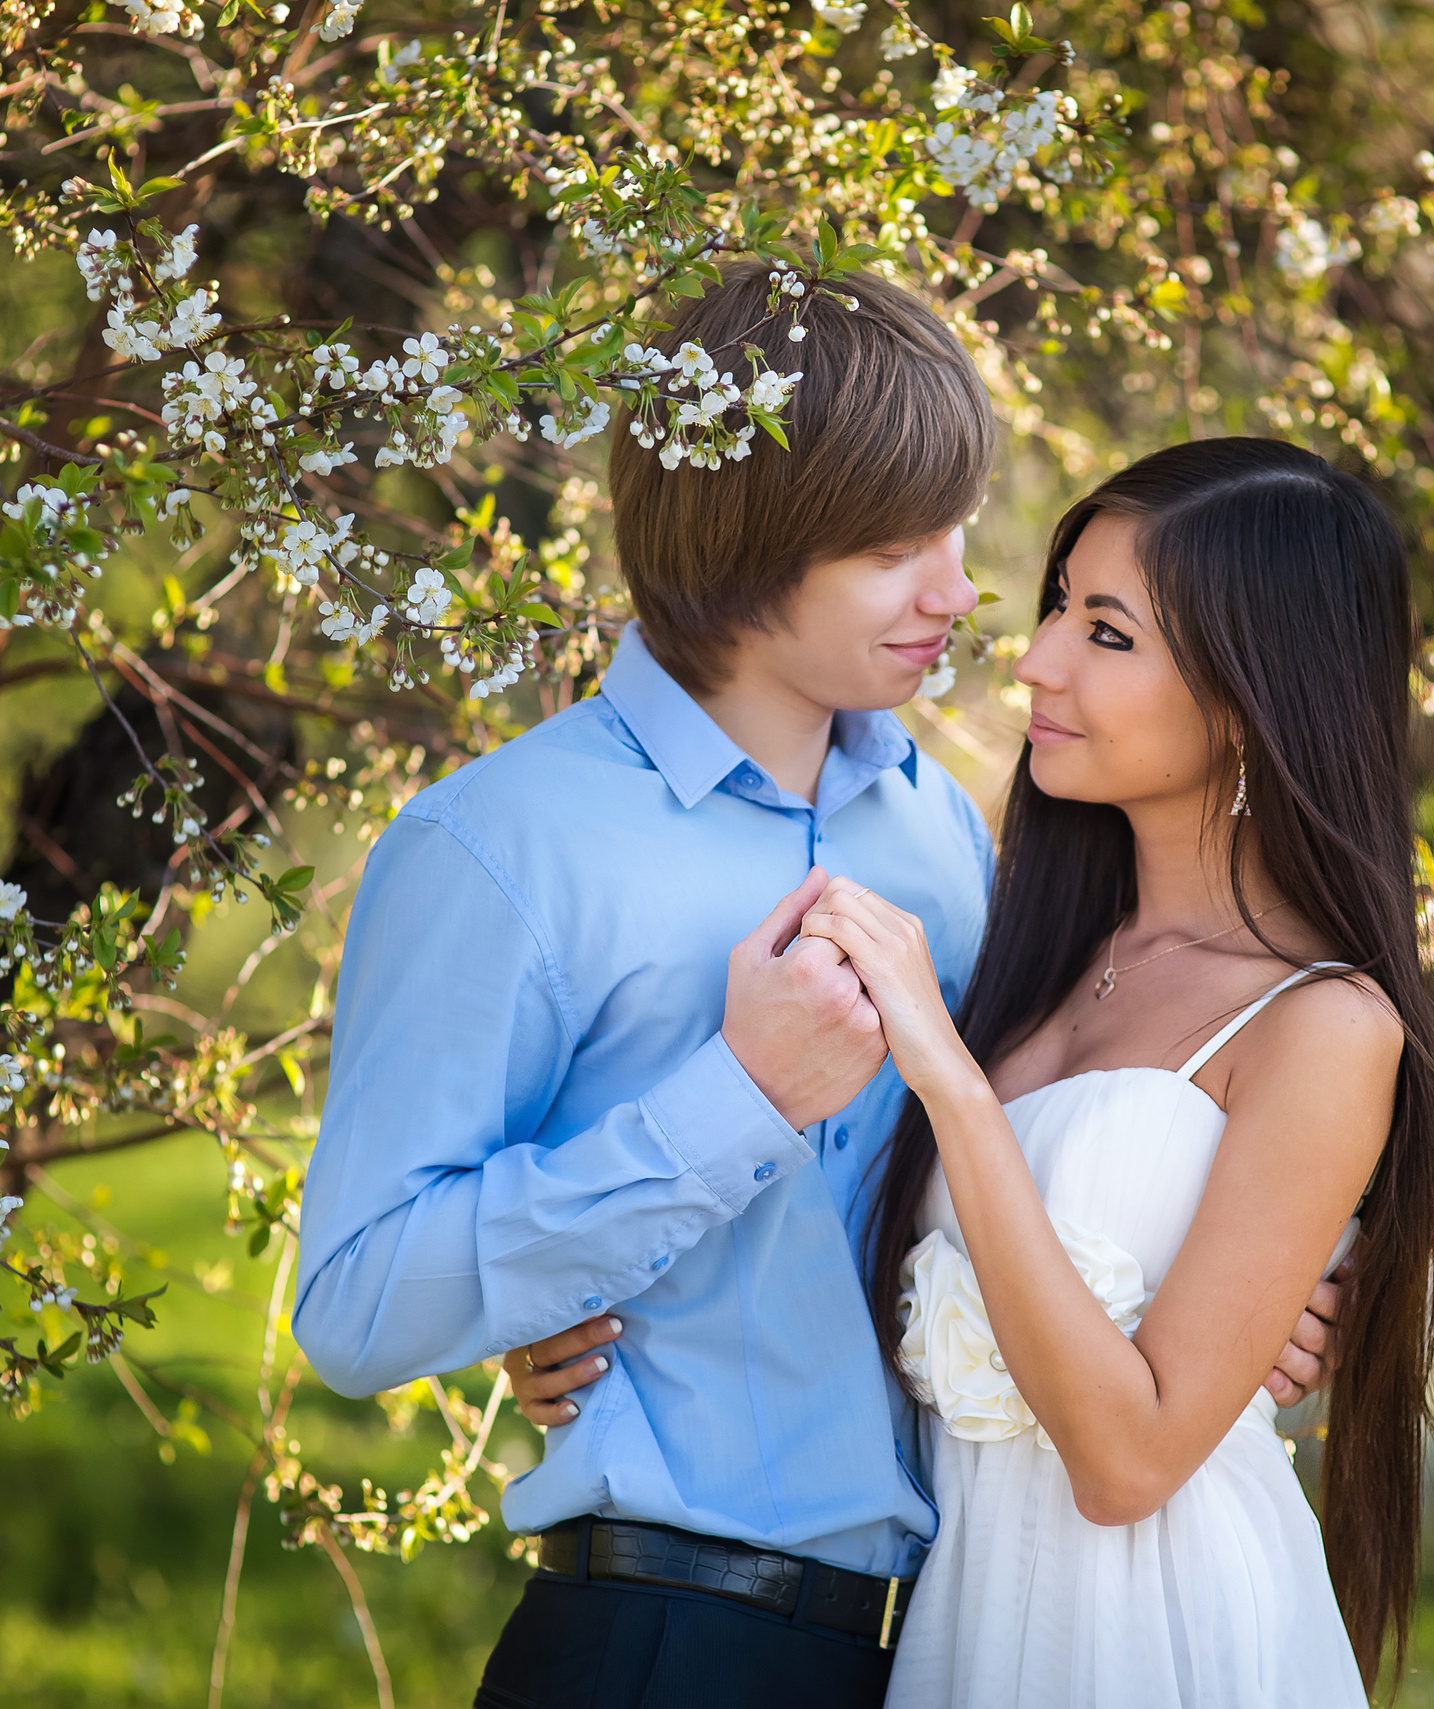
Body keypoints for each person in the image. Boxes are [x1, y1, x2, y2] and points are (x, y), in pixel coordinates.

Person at [294, 264, 1341, 1709]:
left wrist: (1218, 1289)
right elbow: (359, 1307)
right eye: (896, 548)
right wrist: (731, 1106)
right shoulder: (502, 848)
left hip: (942, 1637)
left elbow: (995, 1183)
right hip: (667, 1638)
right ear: (746, 540)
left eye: (961, 532)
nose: (959, 594)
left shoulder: (940, 835)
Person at [797, 438, 1434, 1707]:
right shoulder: (1032, 958)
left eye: (1105, 632)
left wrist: (950, 1080)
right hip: (969, 1625)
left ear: (1254, 691)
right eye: (1056, 607)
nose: (1036, 658)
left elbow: (1127, 1461)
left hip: (1163, 1635)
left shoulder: (1321, 1024)